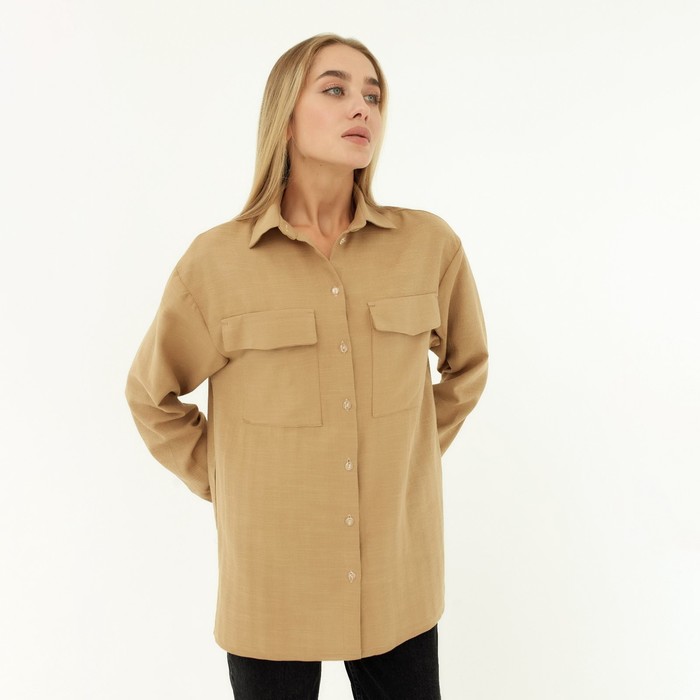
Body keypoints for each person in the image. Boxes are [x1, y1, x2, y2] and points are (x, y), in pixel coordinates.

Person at [125, 32, 488, 699]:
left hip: (395, 580)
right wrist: (229, 477)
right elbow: (152, 397)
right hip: (272, 583)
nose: (362, 107)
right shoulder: (217, 264)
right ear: (286, 118)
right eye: (336, 89)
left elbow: (467, 367)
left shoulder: (429, 247)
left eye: (373, 95)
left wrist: (408, 453)